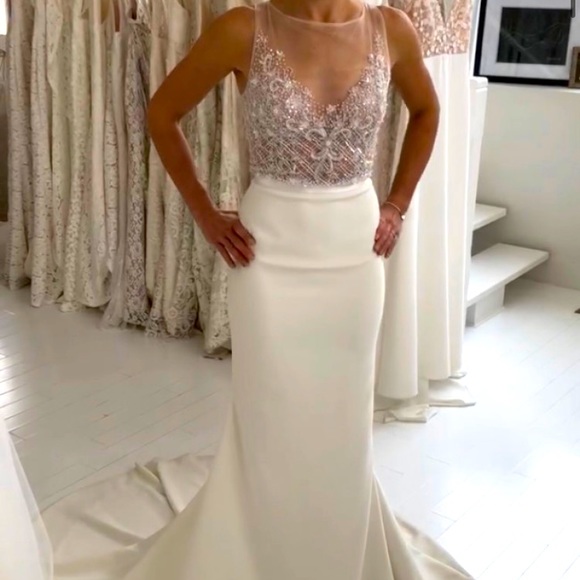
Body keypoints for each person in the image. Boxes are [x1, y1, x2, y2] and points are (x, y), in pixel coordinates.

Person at [43, 1, 473, 578]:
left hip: (354, 255)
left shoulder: (390, 28)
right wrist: (204, 212)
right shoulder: (244, 27)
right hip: (269, 257)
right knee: (270, 416)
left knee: (343, 420)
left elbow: (427, 110)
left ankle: (338, 555)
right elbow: (162, 113)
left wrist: (397, 204)